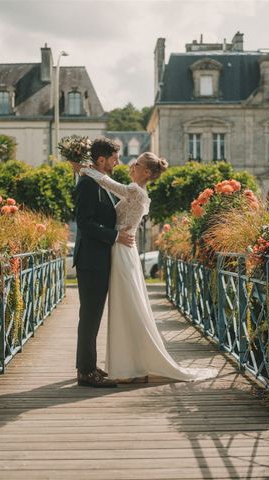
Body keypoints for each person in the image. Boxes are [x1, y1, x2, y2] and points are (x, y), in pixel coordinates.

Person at [74, 152, 218, 383]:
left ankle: (131, 366)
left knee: (126, 306)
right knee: (127, 306)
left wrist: (83, 168)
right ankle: (132, 364)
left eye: (138, 163)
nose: (132, 164)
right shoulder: (139, 192)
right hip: (122, 248)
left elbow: (105, 182)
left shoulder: (135, 190)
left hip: (121, 250)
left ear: (147, 172)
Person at [73, 138, 134, 388]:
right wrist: (115, 236)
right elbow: (85, 222)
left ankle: (87, 365)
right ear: (101, 160)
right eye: (114, 158)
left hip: (98, 258)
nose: (117, 162)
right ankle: (86, 372)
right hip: (90, 260)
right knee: (90, 315)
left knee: (92, 315)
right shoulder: (88, 184)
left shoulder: (100, 182)